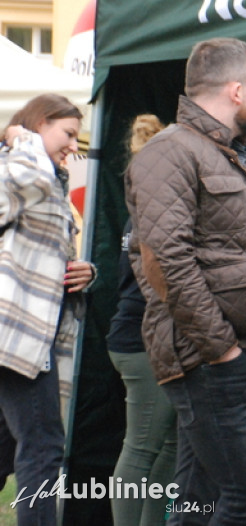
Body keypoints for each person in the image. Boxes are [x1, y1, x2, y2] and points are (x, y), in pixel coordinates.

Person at [125, 37, 246, 525]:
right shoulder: (169, 152)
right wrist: (222, 350)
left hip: (238, 355)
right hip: (211, 359)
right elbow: (164, 261)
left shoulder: (226, 152)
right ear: (235, 91)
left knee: (200, 501)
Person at [0, 93, 95, 525]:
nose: (74, 146)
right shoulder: (20, 164)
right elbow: (20, 186)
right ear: (39, 124)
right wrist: (21, 141)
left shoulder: (45, 174)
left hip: (27, 333)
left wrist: (83, 272)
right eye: (68, 134)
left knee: (10, 447)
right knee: (42, 445)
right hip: (16, 334)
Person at [107, 114, 177, 526]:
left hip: (144, 339)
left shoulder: (144, 208)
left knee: (171, 443)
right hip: (141, 342)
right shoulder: (153, 210)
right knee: (141, 449)